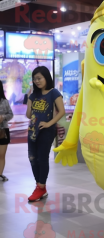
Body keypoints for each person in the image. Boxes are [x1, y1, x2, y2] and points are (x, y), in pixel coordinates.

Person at [26, 66, 65, 202]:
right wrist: (30, 98)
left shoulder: (53, 93)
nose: (37, 81)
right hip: (32, 130)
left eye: (39, 78)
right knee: (32, 158)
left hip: (46, 131)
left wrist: (49, 124)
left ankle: (40, 187)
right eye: (35, 79)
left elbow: (61, 111)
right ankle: (40, 187)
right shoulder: (34, 95)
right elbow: (28, 115)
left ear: (46, 78)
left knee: (42, 159)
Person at [0, 80, 14, 181]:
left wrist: (3, 117)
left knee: (2, 154)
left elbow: (11, 114)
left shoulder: (4, 101)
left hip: (3, 131)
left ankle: (0, 174)